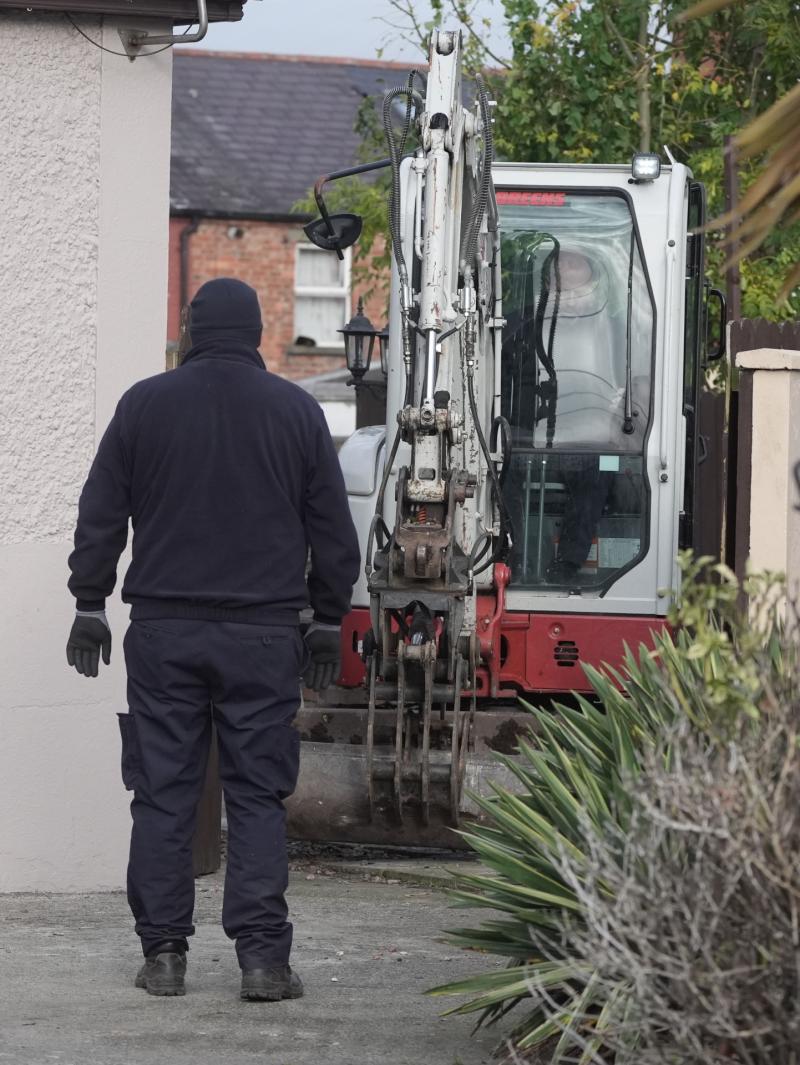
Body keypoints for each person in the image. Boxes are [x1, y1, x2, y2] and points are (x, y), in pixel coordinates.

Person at [66, 278, 360, 1001]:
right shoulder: (296, 412)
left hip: (164, 630)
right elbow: (333, 529)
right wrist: (327, 619)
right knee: (257, 795)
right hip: (262, 634)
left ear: (192, 329)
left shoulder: (144, 405)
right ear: (259, 333)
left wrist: (89, 601)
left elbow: (101, 510)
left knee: (163, 793)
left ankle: (164, 955)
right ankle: (262, 961)